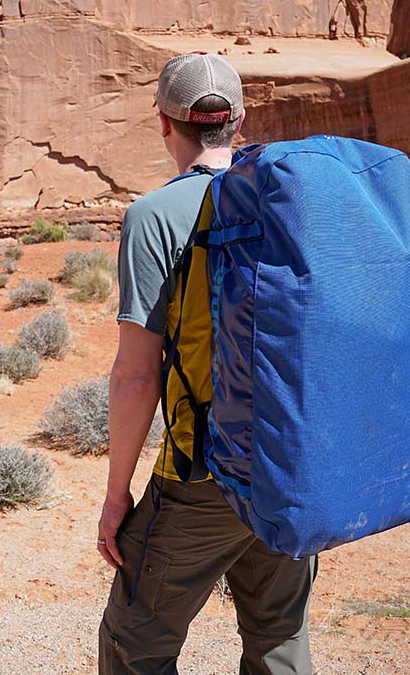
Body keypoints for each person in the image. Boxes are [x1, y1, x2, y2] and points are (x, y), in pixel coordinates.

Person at [96, 52, 319, 675]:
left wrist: (118, 496)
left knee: (133, 642)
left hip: (203, 475)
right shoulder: (290, 201)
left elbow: (137, 375)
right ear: (238, 121)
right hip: (290, 465)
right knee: (279, 637)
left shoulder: (152, 216)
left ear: (165, 124)